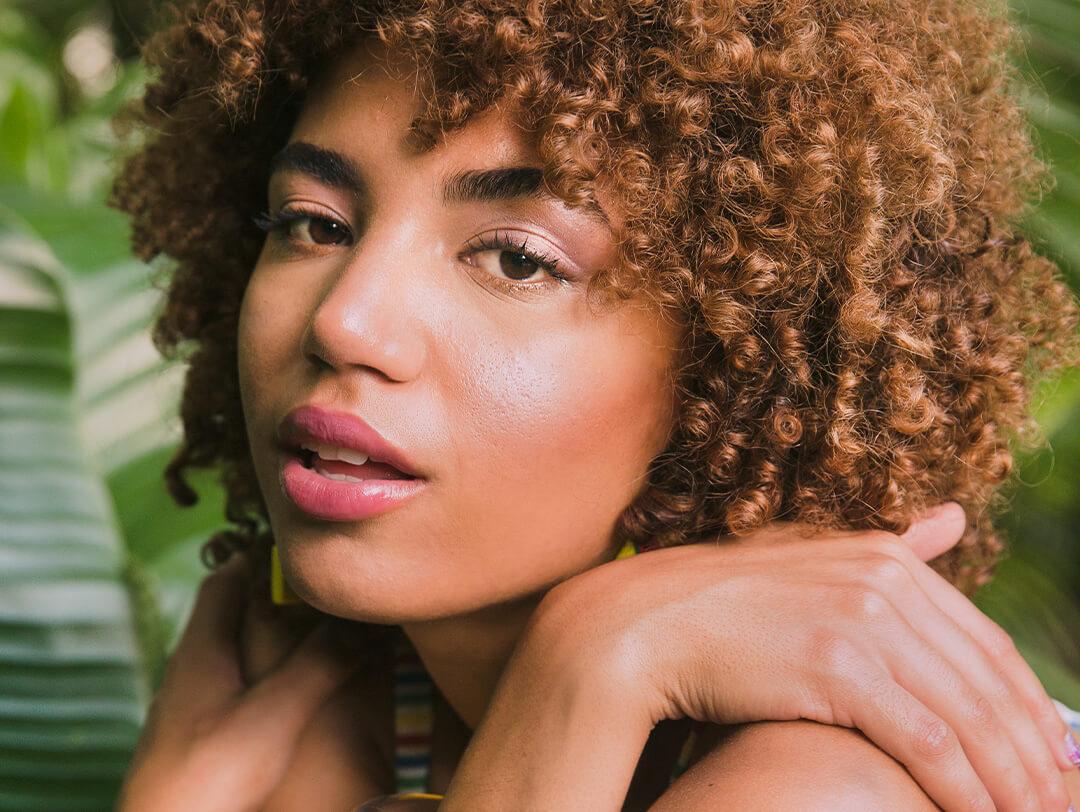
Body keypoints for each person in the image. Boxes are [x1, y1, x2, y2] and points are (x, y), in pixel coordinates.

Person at [110, 0, 1080, 809]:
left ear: (731, 358)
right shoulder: (328, 700)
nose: (347, 320)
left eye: (519, 257)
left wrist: (598, 658)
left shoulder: (814, 784)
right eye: (313, 223)